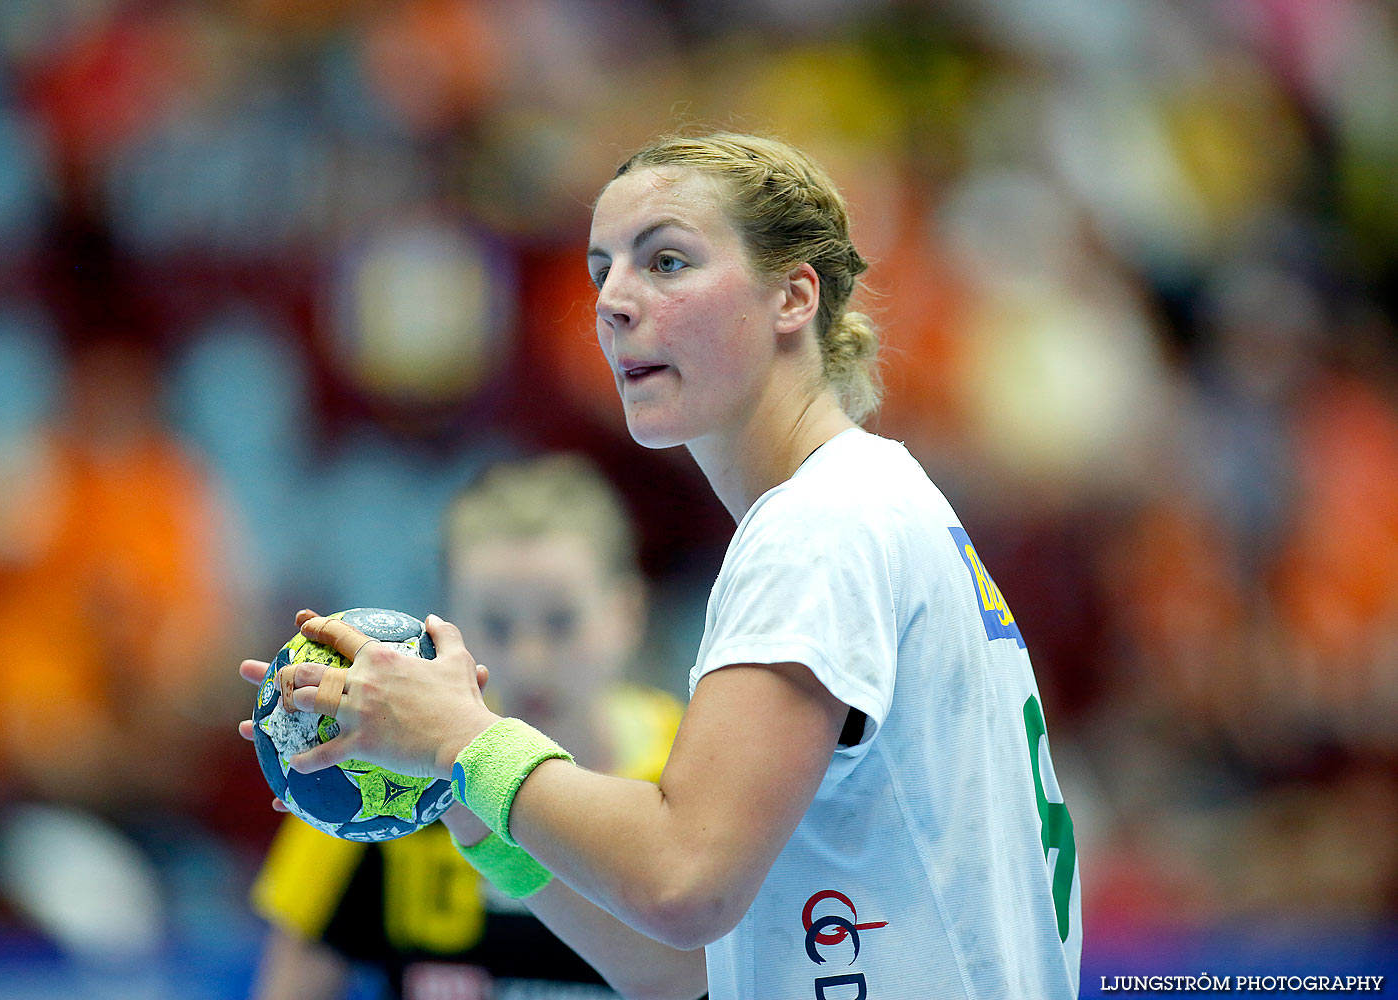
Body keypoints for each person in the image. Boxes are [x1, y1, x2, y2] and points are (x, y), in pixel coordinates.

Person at [242, 132, 1082, 999]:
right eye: (602, 268)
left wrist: (463, 738)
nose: (612, 301)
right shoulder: (869, 502)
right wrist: (470, 807)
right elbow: (683, 969)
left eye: (667, 261)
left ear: (794, 296)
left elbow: (683, 883)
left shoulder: (821, 528)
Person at [247, 454, 687, 1000]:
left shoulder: (692, 769)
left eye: (561, 621)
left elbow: (695, 974)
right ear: (446, 623)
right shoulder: (372, 772)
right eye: (497, 626)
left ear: (627, 612)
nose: (530, 662)